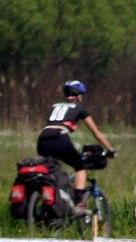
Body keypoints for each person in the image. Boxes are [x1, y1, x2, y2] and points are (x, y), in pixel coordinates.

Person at [36, 80, 115, 216]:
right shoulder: (79, 108)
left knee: (53, 172)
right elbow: (96, 133)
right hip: (59, 138)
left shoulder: (55, 105)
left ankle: (52, 204)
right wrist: (110, 149)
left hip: (42, 140)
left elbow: (54, 122)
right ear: (78, 96)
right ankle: (79, 204)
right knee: (80, 167)